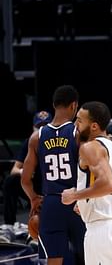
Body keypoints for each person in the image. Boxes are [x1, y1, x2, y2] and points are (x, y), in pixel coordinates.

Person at [61, 101, 112, 265]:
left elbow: (109, 184)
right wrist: (90, 199)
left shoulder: (90, 147)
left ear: (93, 126)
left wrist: (75, 196)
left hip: (103, 232)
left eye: (79, 121)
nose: (75, 125)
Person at [21, 85, 85, 265]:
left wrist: (34, 198)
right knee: (87, 257)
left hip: (51, 204)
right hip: (76, 202)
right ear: (74, 105)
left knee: (54, 260)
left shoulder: (37, 137)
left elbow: (25, 180)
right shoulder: (77, 133)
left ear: (53, 105)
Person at [2, 111, 51, 227]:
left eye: (45, 126)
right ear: (33, 128)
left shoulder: (58, 141)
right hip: (34, 185)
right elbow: (14, 169)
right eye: (39, 126)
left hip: (52, 185)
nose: (41, 129)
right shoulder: (30, 142)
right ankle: (9, 225)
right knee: (10, 181)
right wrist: (24, 171)